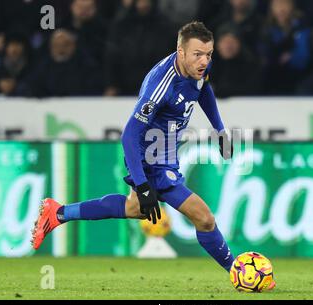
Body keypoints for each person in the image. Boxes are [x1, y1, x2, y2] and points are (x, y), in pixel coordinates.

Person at [31, 22, 269, 280]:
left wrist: (220, 130)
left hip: (166, 153)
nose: (204, 61)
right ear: (180, 51)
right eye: (197, 54)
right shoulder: (160, 87)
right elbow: (129, 136)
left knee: (135, 209)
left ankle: (58, 212)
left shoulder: (199, 70)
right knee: (205, 219)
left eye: (209, 54)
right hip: (150, 159)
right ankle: (238, 272)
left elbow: (203, 92)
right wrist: (144, 184)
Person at [259, 0, 311, 95]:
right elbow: (263, 57)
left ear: (292, 6)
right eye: (277, 5)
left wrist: (291, 57)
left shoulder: (301, 26)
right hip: (272, 77)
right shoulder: (266, 29)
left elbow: (303, 58)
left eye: (285, 4)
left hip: (297, 76)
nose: (281, 9)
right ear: (272, 8)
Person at [211, 25, 261, 97]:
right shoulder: (210, 66)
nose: (228, 46)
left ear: (239, 44)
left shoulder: (250, 66)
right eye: (225, 42)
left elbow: (251, 90)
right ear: (218, 45)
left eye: (232, 42)